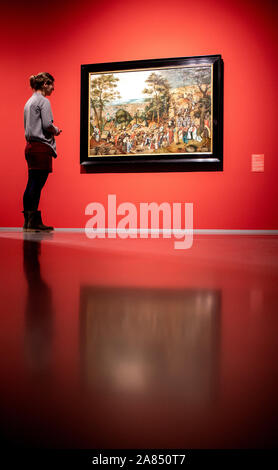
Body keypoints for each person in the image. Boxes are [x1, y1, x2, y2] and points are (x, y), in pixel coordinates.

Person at [23, 72, 62, 231]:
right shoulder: (43, 101)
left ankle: (29, 221)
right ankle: (33, 222)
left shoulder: (29, 102)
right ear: (45, 84)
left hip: (31, 147)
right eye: (51, 84)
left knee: (32, 183)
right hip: (41, 147)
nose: (53, 88)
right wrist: (57, 130)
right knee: (36, 184)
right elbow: (47, 125)